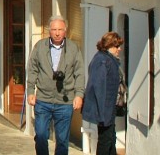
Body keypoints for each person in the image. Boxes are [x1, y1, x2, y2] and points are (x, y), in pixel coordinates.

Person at [27, 16, 85, 155]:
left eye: (60, 29)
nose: (57, 33)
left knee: (62, 140)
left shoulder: (73, 48)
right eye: (54, 29)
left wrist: (79, 95)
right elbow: (32, 69)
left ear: (65, 31)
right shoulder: (40, 46)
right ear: (49, 31)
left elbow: (80, 73)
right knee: (40, 135)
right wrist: (30, 91)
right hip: (43, 100)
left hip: (65, 101)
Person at [82, 31, 124, 155]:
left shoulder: (108, 59)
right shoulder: (102, 60)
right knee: (106, 141)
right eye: (117, 46)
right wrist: (102, 113)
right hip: (105, 110)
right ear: (109, 46)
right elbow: (98, 86)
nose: (119, 49)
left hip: (108, 110)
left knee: (110, 140)